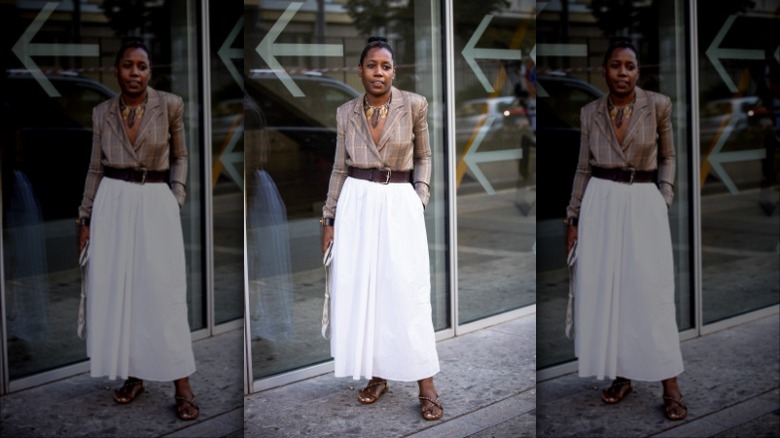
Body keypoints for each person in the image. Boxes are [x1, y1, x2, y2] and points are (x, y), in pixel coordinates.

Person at [321, 36, 443, 421]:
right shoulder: (345, 112)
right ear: (360, 71)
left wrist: (417, 196)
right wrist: (330, 218)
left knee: (407, 293)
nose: (379, 72)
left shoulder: (415, 105)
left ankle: (426, 385)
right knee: (366, 292)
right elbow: (340, 168)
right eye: (372, 65)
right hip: (356, 204)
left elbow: (424, 155)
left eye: (386, 66)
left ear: (394, 72)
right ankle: (378, 375)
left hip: (398, 201)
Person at [564, 39, 687, 421]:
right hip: (600, 203)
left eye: (629, 66)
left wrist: (662, 196)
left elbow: (668, 155)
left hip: (643, 200)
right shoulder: (590, 112)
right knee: (610, 293)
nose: (622, 73)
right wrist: (573, 218)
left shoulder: (659, 106)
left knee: (651, 294)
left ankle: (670, 384)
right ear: (604, 71)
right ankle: (622, 375)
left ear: (638, 72)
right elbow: (583, 167)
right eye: (615, 66)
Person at [76, 37, 198, 421]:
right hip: (112, 203)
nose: (134, 73)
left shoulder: (171, 106)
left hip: (155, 198)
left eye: (141, 66)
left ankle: (182, 384)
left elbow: (180, 155)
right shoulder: (101, 113)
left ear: (150, 72)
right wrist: (85, 218)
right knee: (122, 291)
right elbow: (95, 168)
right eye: (128, 65)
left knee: (163, 293)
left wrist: (174, 196)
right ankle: (134, 375)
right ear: (116, 71)